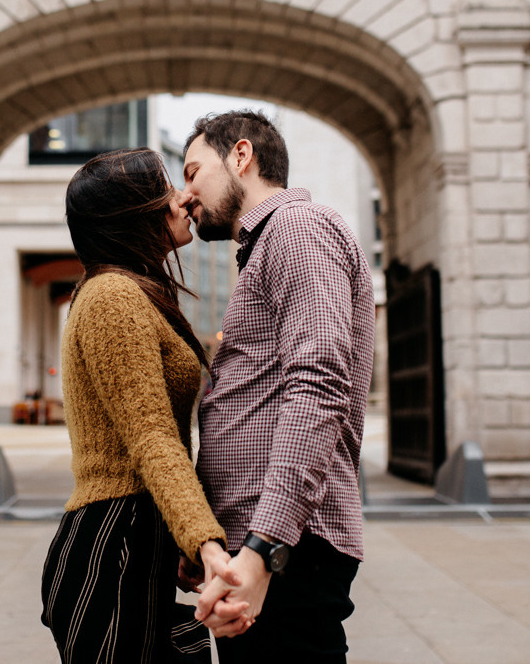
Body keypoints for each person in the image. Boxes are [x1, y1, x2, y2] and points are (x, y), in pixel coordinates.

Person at [181, 111, 375, 662]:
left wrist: (264, 550)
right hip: (268, 547)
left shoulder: (296, 229)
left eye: (194, 172)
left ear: (240, 156)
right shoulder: (266, 245)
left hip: (288, 550)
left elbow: (318, 386)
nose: (186, 193)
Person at [40, 148, 245, 663]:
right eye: (164, 190)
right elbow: (151, 437)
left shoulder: (131, 291)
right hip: (114, 540)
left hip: (134, 535)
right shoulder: (113, 296)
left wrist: (180, 537)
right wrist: (206, 542)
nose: (182, 198)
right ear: (132, 214)